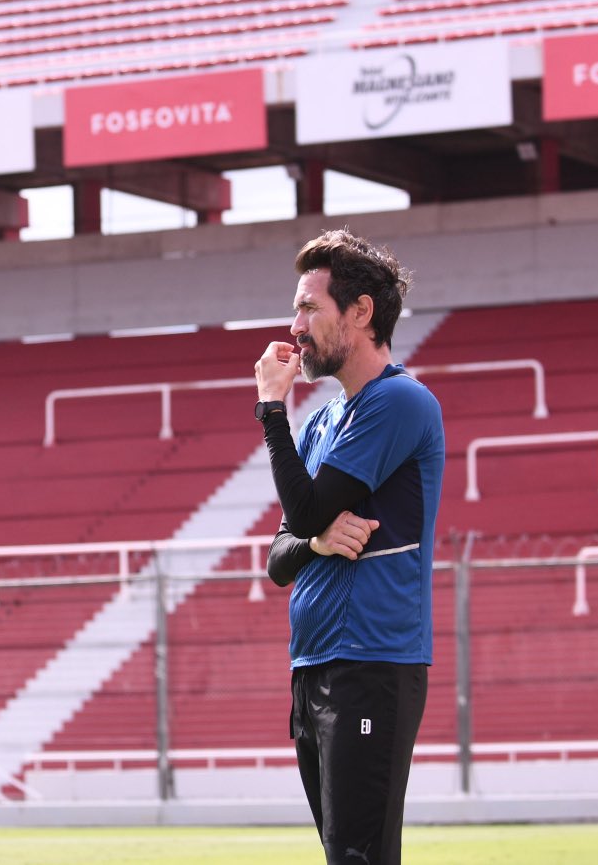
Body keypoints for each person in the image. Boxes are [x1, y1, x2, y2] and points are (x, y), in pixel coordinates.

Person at [252, 228, 444, 865]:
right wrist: (317, 539)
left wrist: (271, 409)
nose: (296, 325)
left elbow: (302, 512)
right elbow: (280, 559)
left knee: (360, 857)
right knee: (346, 856)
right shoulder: (327, 420)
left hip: (371, 663)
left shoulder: (398, 401)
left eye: (310, 307)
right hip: (314, 666)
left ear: (360, 312)